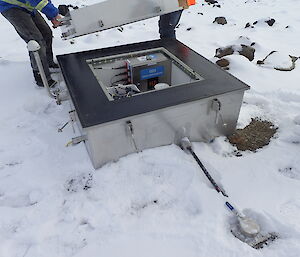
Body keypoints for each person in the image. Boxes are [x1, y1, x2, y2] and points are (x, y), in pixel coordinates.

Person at [0, 0, 61, 87]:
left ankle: (48, 62)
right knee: (35, 40)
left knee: (46, 33)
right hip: (10, 6)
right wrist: (54, 14)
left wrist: (52, 17)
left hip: (27, 4)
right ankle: (40, 74)